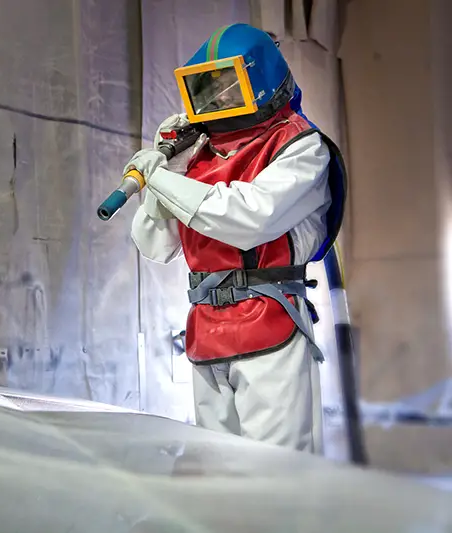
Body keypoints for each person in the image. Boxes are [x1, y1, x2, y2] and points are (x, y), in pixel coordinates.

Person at [125, 23, 346, 453]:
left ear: (259, 80)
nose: (218, 100)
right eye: (208, 90)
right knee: (219, 475)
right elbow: (154, 244)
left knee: (277, 474)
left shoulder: (300, 146)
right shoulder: (199, 156)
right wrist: (168, 167)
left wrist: (160, 179)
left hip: (271, 321)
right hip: (207, 328)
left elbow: (247, 216)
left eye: (228, 87)